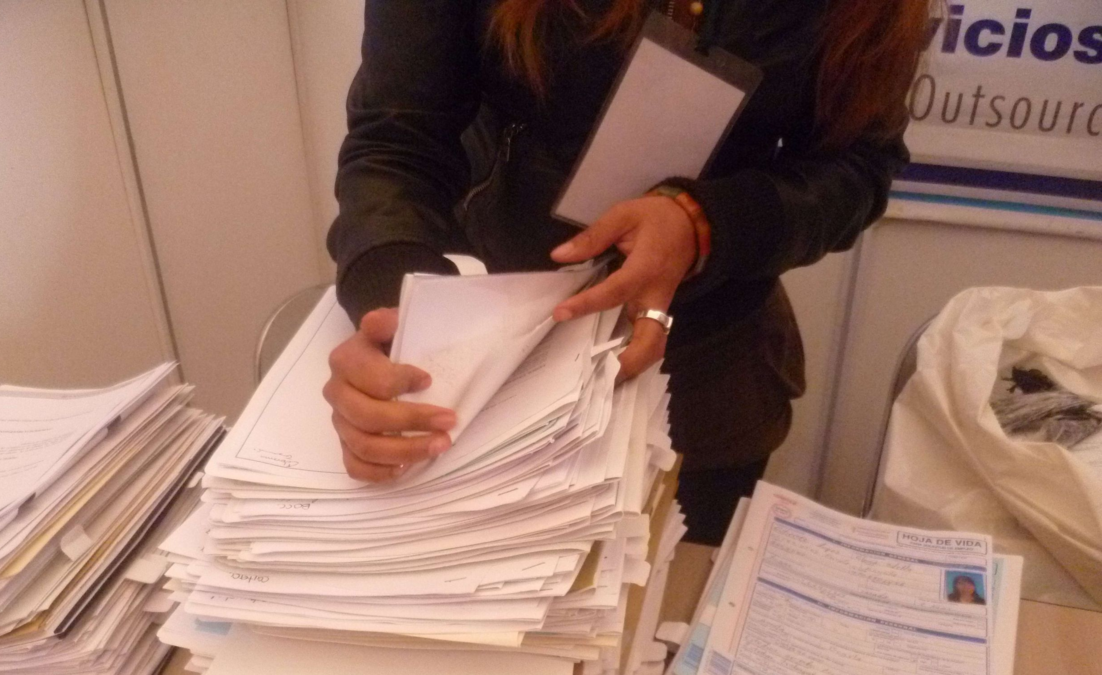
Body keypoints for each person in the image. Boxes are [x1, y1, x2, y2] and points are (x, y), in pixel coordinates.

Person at [321, 0, 928, 544]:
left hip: (709, 366)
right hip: (493, 344)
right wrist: (399, 311)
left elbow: (858, 165)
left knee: (668, 603)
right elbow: (396, 141)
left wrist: (705, 222)